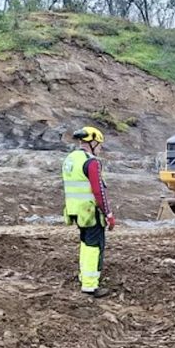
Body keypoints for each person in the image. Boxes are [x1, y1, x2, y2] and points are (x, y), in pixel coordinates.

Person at [62, 126, 115, 297]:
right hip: (91, 212)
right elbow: (98, 190)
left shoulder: (70, 159)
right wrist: (108, 214)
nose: (100, 148)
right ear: (92, 142)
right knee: (94, 247)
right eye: (99, 145)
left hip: (75, 211)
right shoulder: (91, 162)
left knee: (85, 244)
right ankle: (90, 285)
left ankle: (83, 277)